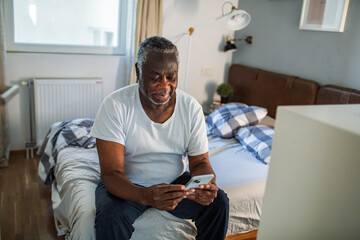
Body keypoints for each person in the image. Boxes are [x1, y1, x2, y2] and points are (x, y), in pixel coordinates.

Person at [90, 36, 229, 240]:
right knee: (111, 215)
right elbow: (111, 173)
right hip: (127, 184)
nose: (164, 86)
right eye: (155, 77)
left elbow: (200, 161)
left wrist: (206, 186)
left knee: (219, 203)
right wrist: (146, 196)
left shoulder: (191, 108)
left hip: (175, 185)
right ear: (138, 71)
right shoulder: (115, 105)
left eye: (171, 77)